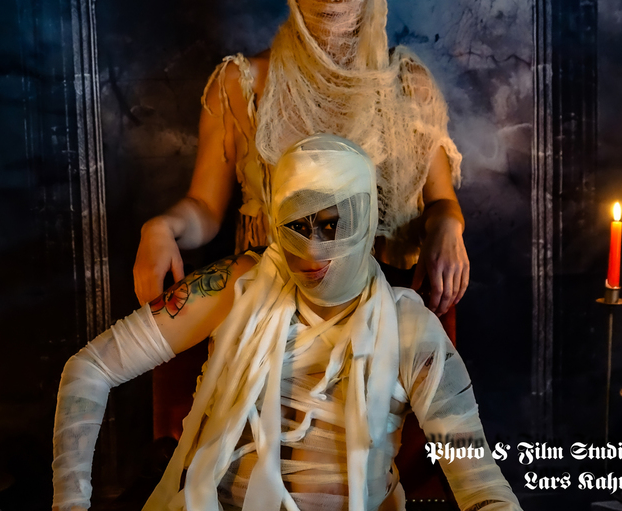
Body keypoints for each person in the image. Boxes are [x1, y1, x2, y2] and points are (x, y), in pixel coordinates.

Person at [53, 135, 522, 511]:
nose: (313, 249)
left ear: (364, 218)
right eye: (297, 224)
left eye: (333, 224)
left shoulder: (408, 326)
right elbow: (89, 369)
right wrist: (70, 504)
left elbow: (479, 481)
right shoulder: (237, 285)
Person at [134, 0, 468, 316]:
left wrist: (448, 226)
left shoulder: (406, 85)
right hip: (277, 309)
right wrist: (162, 227)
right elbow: (204, 207)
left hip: (385, 303)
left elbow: (440, 201)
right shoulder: (243, 84)